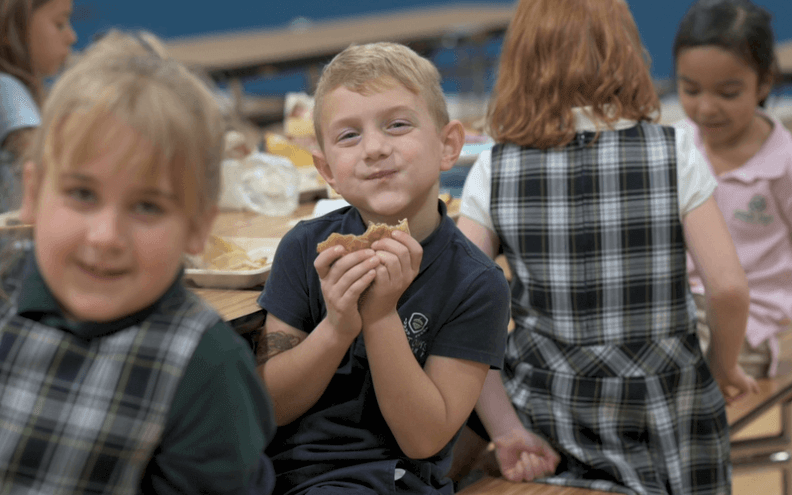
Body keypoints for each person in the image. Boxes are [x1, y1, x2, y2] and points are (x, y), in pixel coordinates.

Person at [456, 0, 759, 493]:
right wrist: (723, 367)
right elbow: (728, 290)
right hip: (666, 416)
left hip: (549, 418)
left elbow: (459, 311)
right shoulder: (673, 150)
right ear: (626, 51)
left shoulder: (496, 168)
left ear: (521, 60)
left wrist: (503, 425)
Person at [0, 30, 276, 494]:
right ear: (33, 192)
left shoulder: (207, 368)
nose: (106, 236)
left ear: (196, 225)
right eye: (82, 194)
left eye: (147, 206)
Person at [255, 41, 511, 495]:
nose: (374, 148)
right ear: (327, 169)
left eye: (397, 125)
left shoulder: (475, 282)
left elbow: (424, 438)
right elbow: (268, 407)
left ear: (448, 145)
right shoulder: (304, 249)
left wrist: (379, 316)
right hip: (279, 475)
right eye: (348, 135)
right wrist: (336, 327)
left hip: (394, 479)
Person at [673, 0, 792, 379]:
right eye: (690, 90)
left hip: (748, 326)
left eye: (727, 93)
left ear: (765, 81)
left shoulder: (784, 163)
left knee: (678, 366)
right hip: (673, 307)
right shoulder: (675, 145)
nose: (706, 108)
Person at [0, 0, 76, 213]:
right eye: (60, 24)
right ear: (8, 28)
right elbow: (48, 163)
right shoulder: (7, 87)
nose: (72, 37)